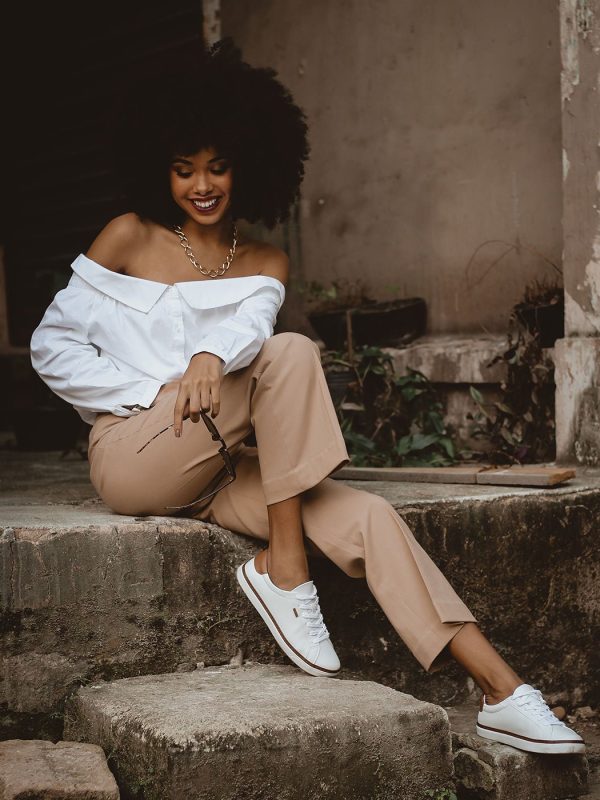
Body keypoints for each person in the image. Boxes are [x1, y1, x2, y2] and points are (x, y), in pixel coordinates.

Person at [30, 40, 583, 756]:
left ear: (250, 165)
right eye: (183, 168)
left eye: (218, 166)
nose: (203, 184)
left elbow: (253, 329)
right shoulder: (129, 237)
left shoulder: (265, 262)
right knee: (293, 352)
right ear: (158, 169)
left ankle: (503, 692)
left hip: (228, 469)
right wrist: (157, 391)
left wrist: (208, 358)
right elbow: (52, 347)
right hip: (136, 455)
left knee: (371, 516)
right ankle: (285, 568)